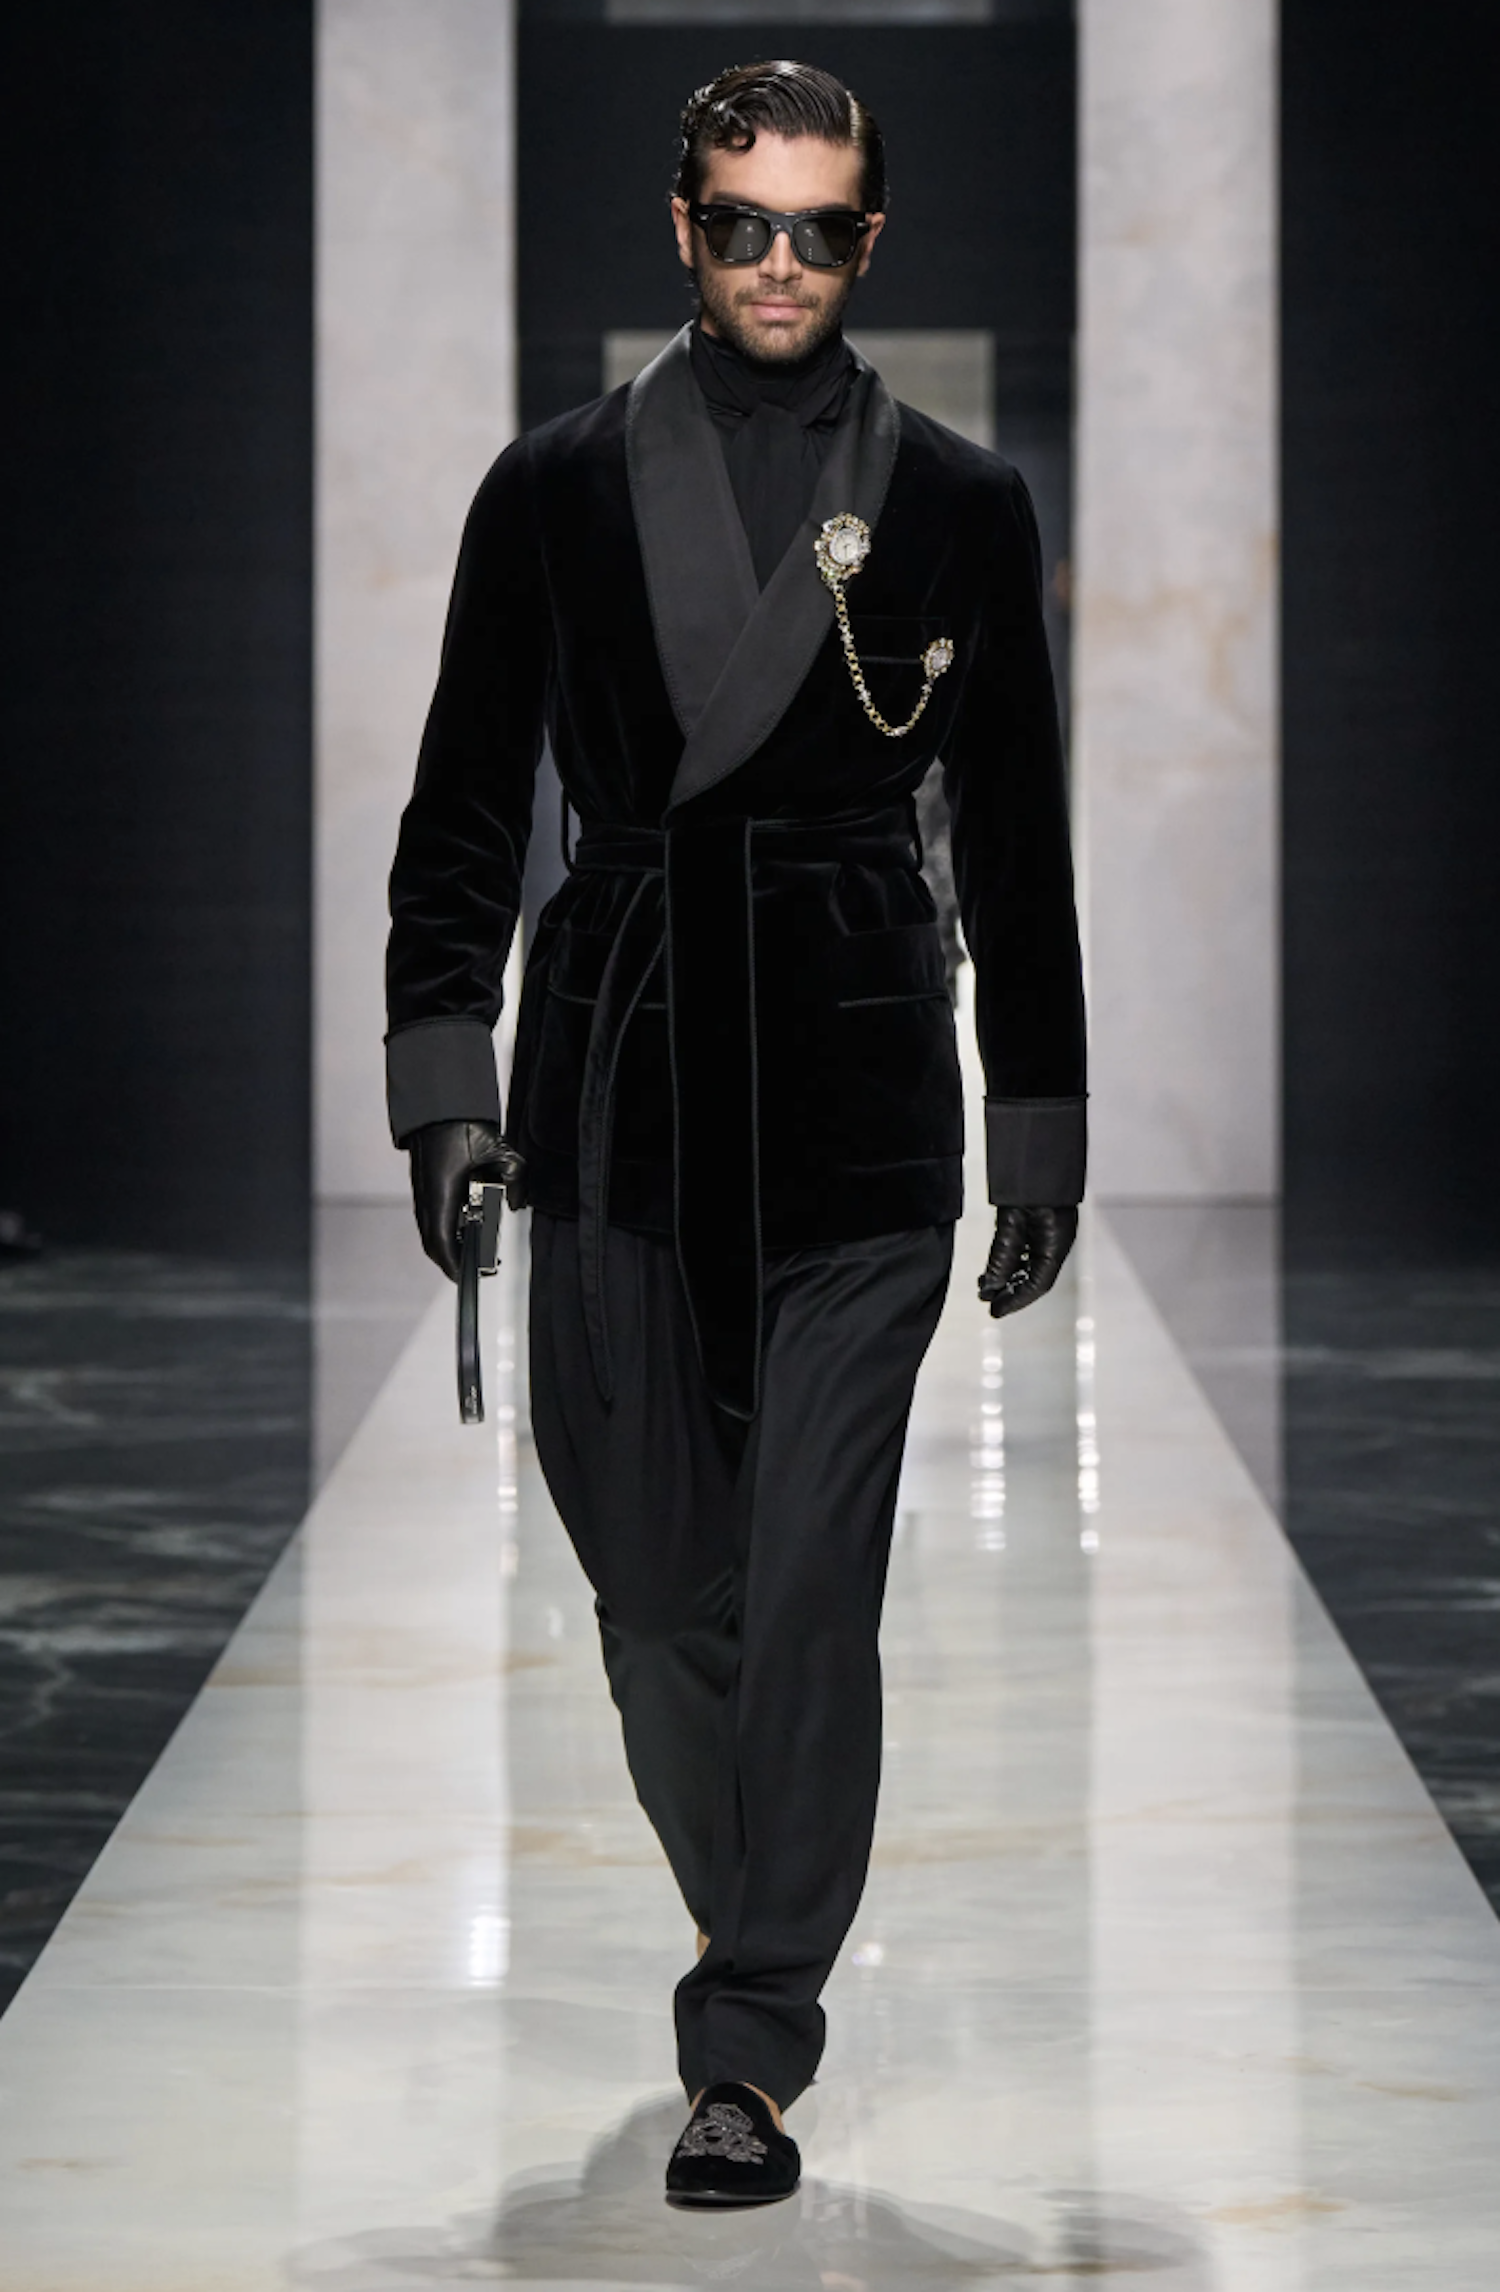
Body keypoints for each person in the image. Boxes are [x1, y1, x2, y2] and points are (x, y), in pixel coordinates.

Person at [385, 58, 1085, 2208]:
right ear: (680, 227)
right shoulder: (551, 487)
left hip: (860, 1103)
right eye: (740, 223)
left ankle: (750, 2041)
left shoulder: (962, 500)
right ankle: (750, 1909)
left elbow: (1023, 840)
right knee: (654, 1601)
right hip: (620, 1083)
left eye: (820, 228)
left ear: (872, 242)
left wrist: (1036, 1128)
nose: (780, 262)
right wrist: (446, 1084)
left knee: (805, 1596)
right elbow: (467, 804)